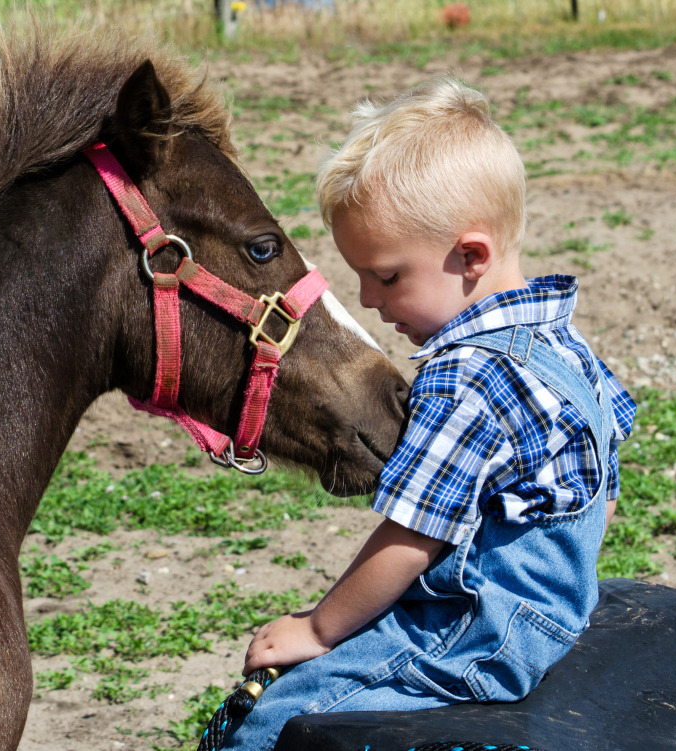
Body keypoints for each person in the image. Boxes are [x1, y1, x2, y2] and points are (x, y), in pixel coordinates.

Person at [221, 77, 637, 750]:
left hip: (478, 625)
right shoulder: (558, 335)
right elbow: (603, 475)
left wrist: (320, 628)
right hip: (559, 610)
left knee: (279, 718)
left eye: (387, 276)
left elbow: (412, 536)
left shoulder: (464, 374)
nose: (369, 299)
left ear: (469, 256)